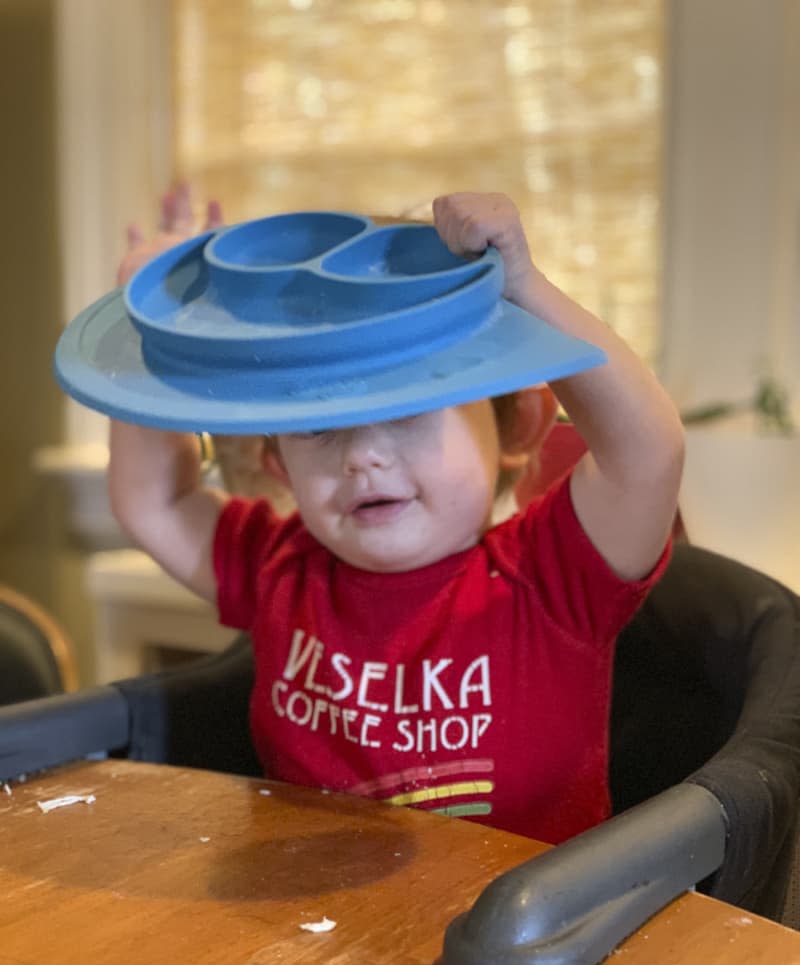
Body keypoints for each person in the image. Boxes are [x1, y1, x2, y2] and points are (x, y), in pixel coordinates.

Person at [109, 186, 684, 845]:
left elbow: (649, 451)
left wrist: (523, 285)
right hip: (319, 932)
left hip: (525, 938)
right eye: (319, 425)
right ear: (277, 460)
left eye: (411, 407)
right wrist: (142, 332)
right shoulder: (279, 569)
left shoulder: (553, 574)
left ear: (516, 425)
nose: (363, 455)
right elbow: (152, 499)